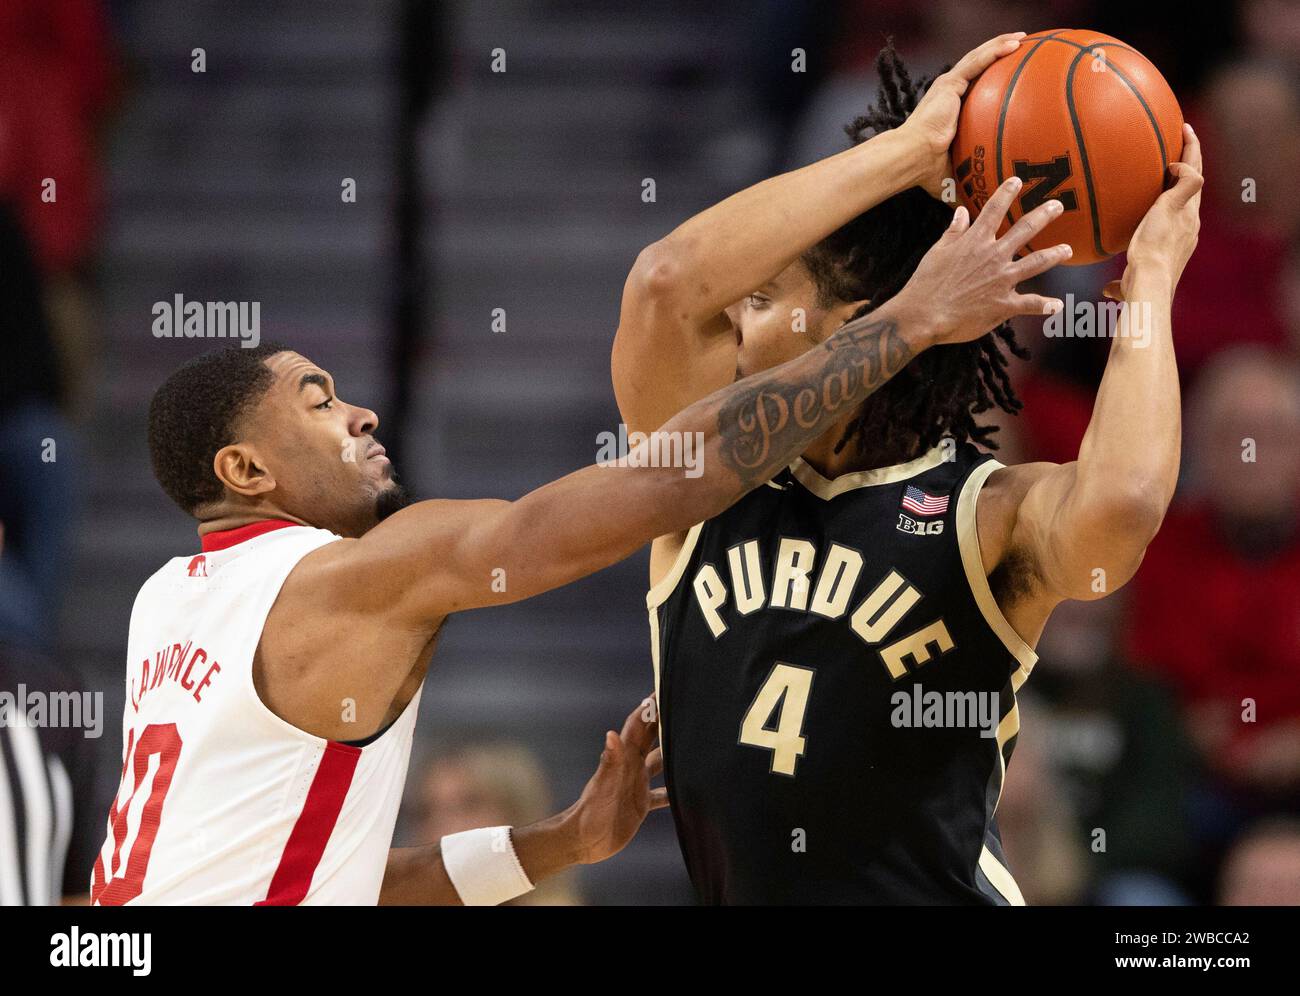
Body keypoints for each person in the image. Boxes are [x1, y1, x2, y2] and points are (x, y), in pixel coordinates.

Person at [91, 147, 1061, 904]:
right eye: (316, 403)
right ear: (245, 469)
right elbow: (675, 478)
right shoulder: (341, 581)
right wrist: (909, 322)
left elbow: (344, 889)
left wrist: (563, 843)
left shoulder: (167, 606)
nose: (360, 415)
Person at [611, 34, 1202, 903]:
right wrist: (908, 154)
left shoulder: (982, 511)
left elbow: (1124, 505)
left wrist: (1147, 283)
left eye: (767, 298)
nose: (733, 314)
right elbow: (667, 282)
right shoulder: (700, 479)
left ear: (858, 321)